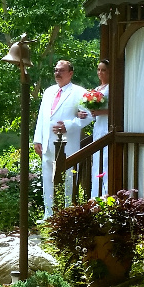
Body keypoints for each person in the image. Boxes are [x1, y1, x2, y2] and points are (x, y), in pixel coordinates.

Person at [31, 59, 89, 217]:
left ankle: (66, 214)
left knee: (68, 178)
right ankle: (49, 215)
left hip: (68, 144)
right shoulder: (49, 91)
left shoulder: (79, 92)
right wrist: (37, 140)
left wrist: (68, 125)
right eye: (56, 70)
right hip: (47, 144)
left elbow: (89, 116)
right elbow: (42, 117)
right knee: (48, 179)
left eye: (61, 70)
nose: (57, 73)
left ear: (70, 73)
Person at [86, 58, 110, 198]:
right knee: (97, 159)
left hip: (107, 125)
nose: (100, 72)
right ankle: (95, 194)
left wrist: (101, 112)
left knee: (105, 159)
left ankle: (105, 193)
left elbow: (116, 109)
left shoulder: (111, 88)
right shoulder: (96, 89)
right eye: (99, 70)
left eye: (104, 70)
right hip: (98, 126)